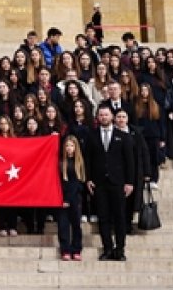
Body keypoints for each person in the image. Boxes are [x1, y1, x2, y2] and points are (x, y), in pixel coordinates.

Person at [86, 105, 134, 261]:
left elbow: (129, 161)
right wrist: (88, 179)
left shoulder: (123, 136)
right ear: (97, 117)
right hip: (99, 183)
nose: (104, 117)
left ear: (112, 116)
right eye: (101, 115)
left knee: (119, 217)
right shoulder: (92, 135)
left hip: (118, 182)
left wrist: (129, 182)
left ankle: (120, 249)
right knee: (103, 217)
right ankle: (107, 248)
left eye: (106, 115)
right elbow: (88, 159)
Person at [57, 135, 85, 261]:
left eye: (72, 145)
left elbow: (78, 182)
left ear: (75, 147)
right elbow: (61, 182)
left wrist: (69, 199)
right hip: (62, 198)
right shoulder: (61, 162)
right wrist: (64, 199)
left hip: (75, 198)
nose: (69, 148)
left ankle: (76, 249)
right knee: (63, 225)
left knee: (76, 225)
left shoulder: (79, 162)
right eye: (67, 145)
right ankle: (65, 250)